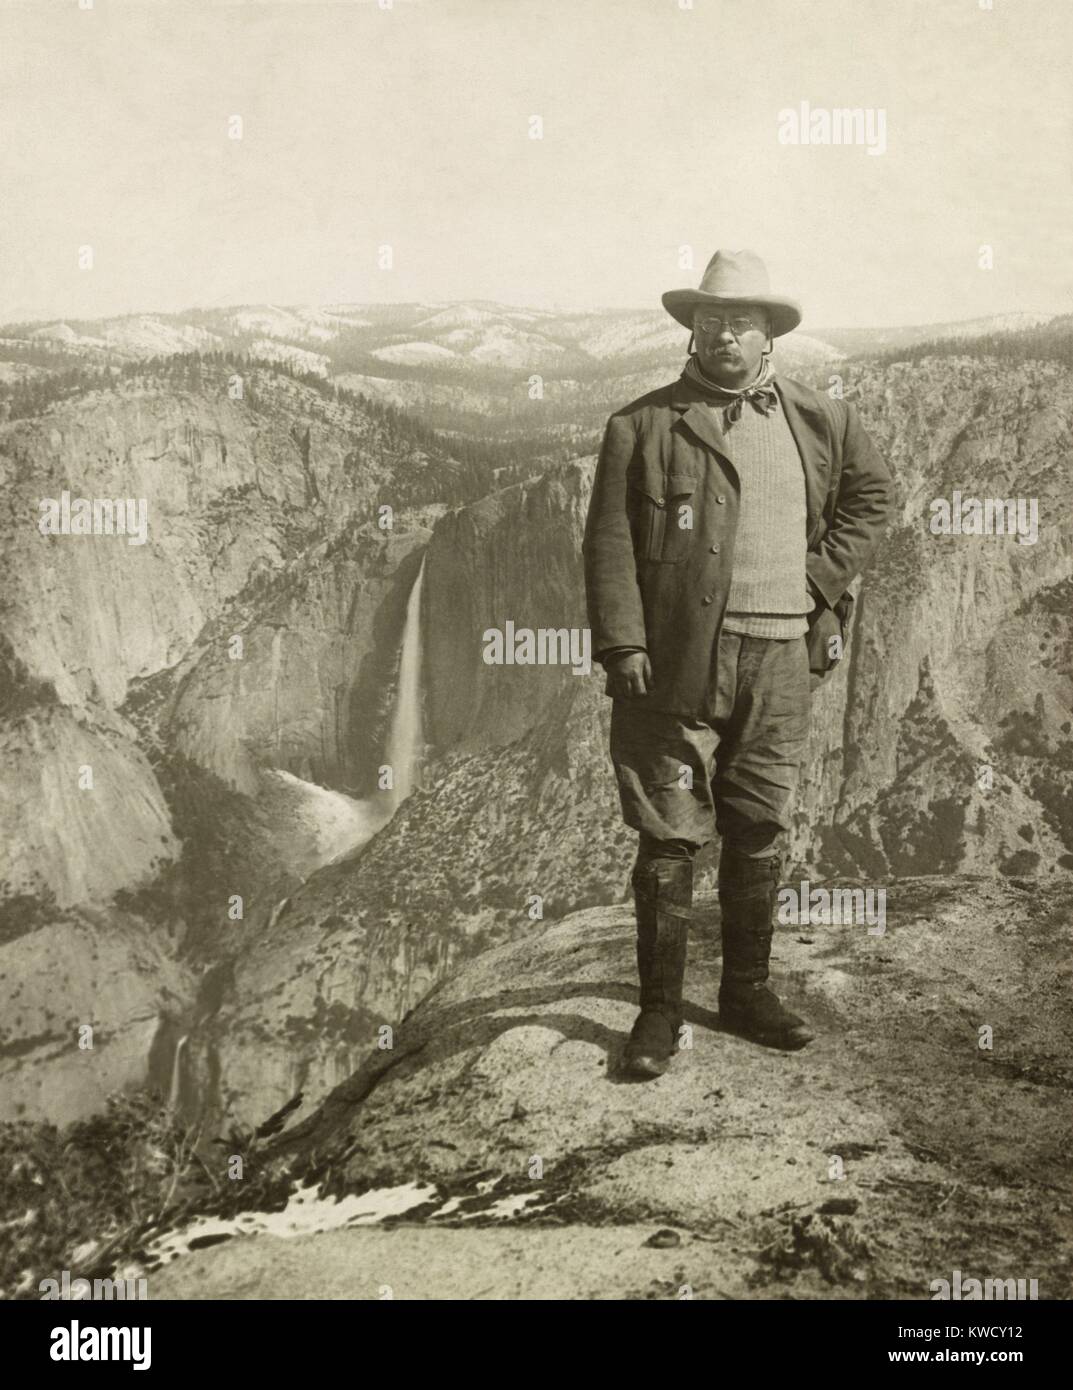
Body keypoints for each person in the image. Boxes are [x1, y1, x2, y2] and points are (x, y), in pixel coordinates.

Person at [582, 248, 894, 1078]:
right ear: (692, 331)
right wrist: (622, 645)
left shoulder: (818, 419)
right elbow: (609, 545)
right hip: (674, 663)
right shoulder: (641, 426)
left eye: (741, 323)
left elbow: (872, 501)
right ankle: (657, 1013)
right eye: (710, 321)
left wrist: (817, 579)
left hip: (780, 656)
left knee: (758, 824)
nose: (723, 335)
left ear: (768, 337)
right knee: (669, 835)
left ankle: (745, 992)